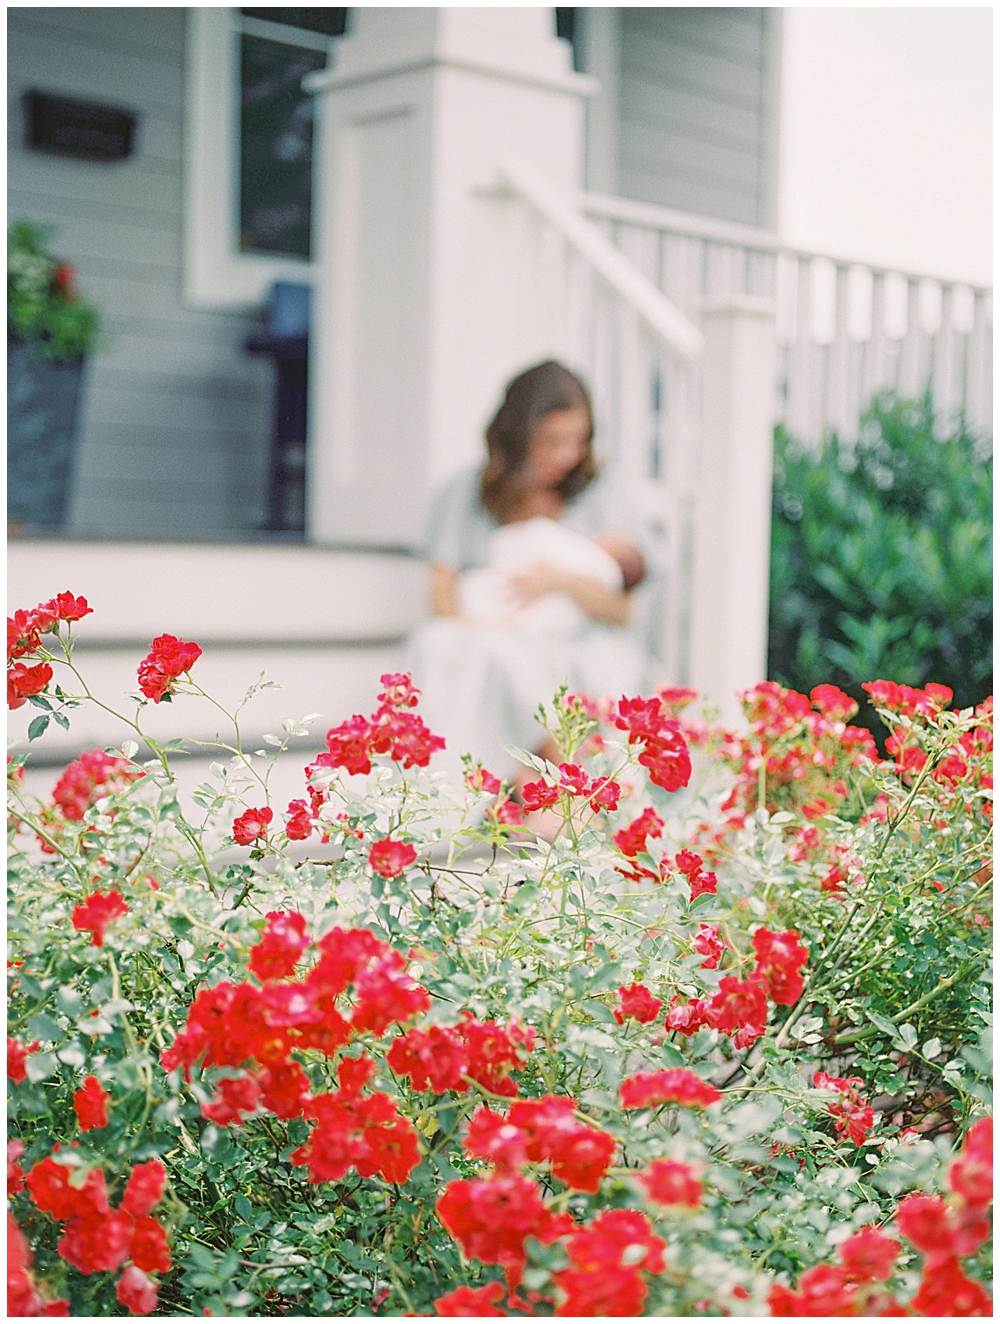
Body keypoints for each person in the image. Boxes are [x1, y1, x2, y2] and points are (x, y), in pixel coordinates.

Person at [408, 360, 661, 787]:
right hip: (489, 633)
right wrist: (490, 627)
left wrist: (558, 581)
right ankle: (543, 779)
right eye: (552, 440)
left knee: (508, 662)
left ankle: (546, 780)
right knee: (449, 647)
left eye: (578, 441)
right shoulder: (465, 493)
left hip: (576, 644)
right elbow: (441, 597)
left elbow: (623, 611)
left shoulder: (604, 492)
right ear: (516, 437)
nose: (567, 454)